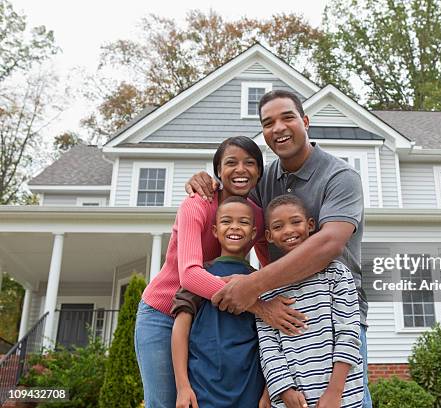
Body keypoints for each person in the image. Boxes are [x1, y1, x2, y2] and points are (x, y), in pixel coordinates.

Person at [185, 90, 373, 407]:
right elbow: (235, 205)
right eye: (268, 123)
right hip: (280, 313)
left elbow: (329, 243)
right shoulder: (266, 179)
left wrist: (253, 285)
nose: (278, 128)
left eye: (287, 117)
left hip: (333, 316)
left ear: (306, 121)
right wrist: (208, 180)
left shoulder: (340, 176)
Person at [135, 136, 307, 408]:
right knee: (167, 402)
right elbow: (189, 276)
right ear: (218, 171)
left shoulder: (257, 217)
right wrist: (257, 304)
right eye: (231, 163)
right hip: (163, 313)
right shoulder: (197, 204)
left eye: (249, 163)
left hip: (210, 315)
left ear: (259, 172)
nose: (241, 170)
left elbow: (271, 269)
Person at [258, 194, 363, 408]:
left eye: (295, 222)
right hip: (292, 400)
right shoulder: (266, 287)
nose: (288, 230)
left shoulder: (336, 274)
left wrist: (335, 391)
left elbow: (349, 332)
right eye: (279, 226)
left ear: (310, 225)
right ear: (269, 236)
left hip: (341, 396)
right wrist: (284, 390)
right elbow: (268, 347)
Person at [171, 196, 266, 408]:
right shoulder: (200, 276)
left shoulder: (260, 282)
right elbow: (180, 330)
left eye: (243, 222)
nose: (234, 227)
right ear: (214, 230)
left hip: (250, 391)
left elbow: (271, 341)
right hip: (203, 390)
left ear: (253, 233)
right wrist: (182, 387)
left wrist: (268, 391)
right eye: (226, 221)